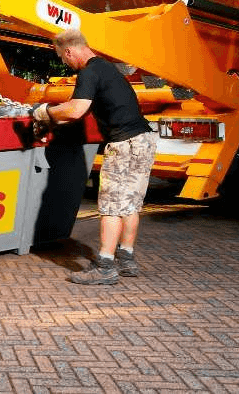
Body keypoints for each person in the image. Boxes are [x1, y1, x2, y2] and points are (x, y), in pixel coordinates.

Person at [31, 28, 158, 285]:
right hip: (143, 140)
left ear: (68, 51)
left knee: (111, 207)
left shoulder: (88, 72)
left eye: (63, 58)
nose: (65, 64)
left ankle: (105, 266)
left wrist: (44, 113)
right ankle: (127, 259)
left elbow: (77, 110)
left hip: (123, 144)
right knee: (130, 204)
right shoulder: (106, 68)